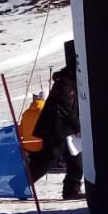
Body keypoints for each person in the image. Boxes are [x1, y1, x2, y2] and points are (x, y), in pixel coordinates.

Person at [27, 67, 83, 200]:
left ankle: (71, 191)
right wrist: (76, 126)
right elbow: (64, 106)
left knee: (76, 160)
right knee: (48, 159)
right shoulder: (65, 82)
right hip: (54, 128)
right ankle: (19, 183)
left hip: (66, 129)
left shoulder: (74, 81)